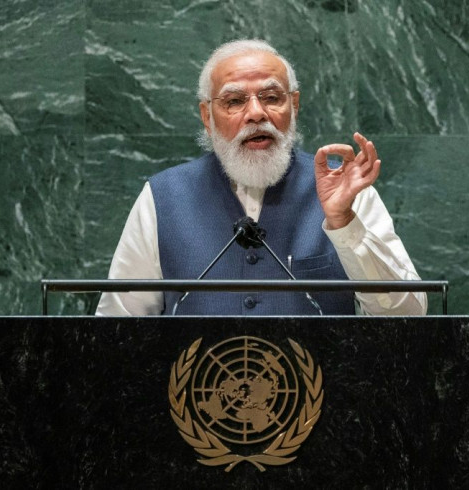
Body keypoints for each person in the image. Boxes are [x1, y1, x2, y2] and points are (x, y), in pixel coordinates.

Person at [95, 39, 427, 316]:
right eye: (235, 101)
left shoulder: (347, 190)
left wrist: (344, 224)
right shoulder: (161, 197)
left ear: (293, 106)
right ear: (207, 117)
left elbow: (408, 316)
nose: (256, 113)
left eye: (271, 97)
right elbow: (117, 332)